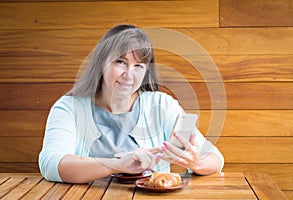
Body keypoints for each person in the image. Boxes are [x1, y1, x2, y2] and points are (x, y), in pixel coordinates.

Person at [39, 24, 224, 183]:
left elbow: (216, 159)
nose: (129, 74)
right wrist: (116, 165)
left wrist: (195, 163)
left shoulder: (162, 105)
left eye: (139, 66)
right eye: (121, 62)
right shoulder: (69, 108)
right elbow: (51, 164)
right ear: (101, 63)